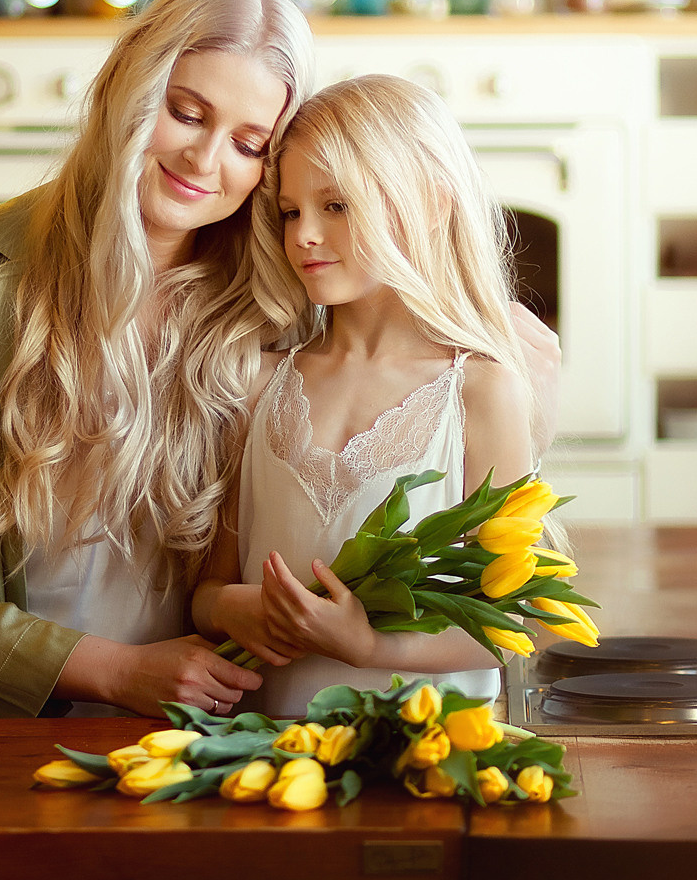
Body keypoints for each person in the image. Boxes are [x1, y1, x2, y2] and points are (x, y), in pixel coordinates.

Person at [0, 0, 562, 721]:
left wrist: (512, 363)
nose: (204, 159)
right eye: (185, 112)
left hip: (209, 734)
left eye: (248, 143)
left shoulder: (291, 298)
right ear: (124, 89)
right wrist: (116, 672)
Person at [193, 72, 541, 714]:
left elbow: (510, 625)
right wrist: (231, 607)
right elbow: (209, 587)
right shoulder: (257, 383)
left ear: (432, 203)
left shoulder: (481, 391)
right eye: (291, 211)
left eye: (336, 206)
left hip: (420, 758)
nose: (303, 236)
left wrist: (366, 643)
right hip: (266, 759)